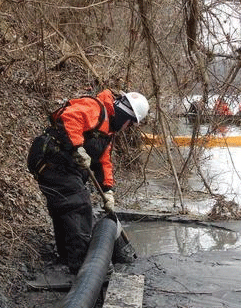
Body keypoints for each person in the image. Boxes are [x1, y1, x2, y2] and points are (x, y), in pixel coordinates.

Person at [27, 89, 149, 275]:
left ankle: (66, 258)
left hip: (63, 168)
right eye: (130, 124)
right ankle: (82, 267)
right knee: (78, 206)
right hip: (52, 162)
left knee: (63, 209)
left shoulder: (107, 131)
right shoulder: (96, 108)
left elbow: (103, 161)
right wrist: (77, 147)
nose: (127, 128)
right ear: (126, 117)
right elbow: (70, 117)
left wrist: (108, 190)